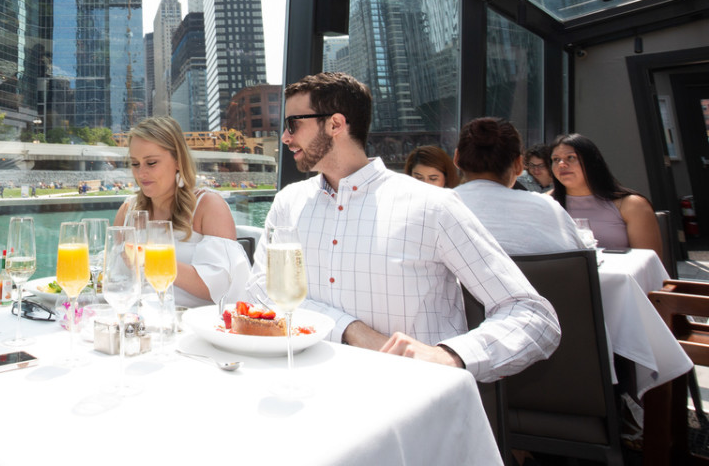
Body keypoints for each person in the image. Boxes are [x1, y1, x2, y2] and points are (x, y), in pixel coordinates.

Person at [247, 72, 559, 382]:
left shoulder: (432, 206)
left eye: (292, 124)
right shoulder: (288, 203)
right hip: (305, 386)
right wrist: (350, 329)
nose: (285, 137)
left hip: (412, 395)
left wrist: (450, 356)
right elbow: (260, 291)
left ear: (336, 124)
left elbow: (532, 315)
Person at [113, 116, 250, 308]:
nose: (141, 173)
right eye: (135, 164)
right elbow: (115, 278)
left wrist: (155, 261)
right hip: (138, 324)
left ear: (178, 160)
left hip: (194, 327)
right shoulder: (128, 210)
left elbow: (224, 286)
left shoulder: (208, 206)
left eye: (151, 163)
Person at [452, 117, 585, 255]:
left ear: (456, 158)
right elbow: (582, 259)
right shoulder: (548, 207)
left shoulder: (436, 208)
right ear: (519, 164)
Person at [550, 132, 661, 256]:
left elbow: (649, 263)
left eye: (571, 157)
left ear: (591, 163)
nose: (561, 164)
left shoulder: (632, 205)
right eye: (556, 159)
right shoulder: (545, 202)